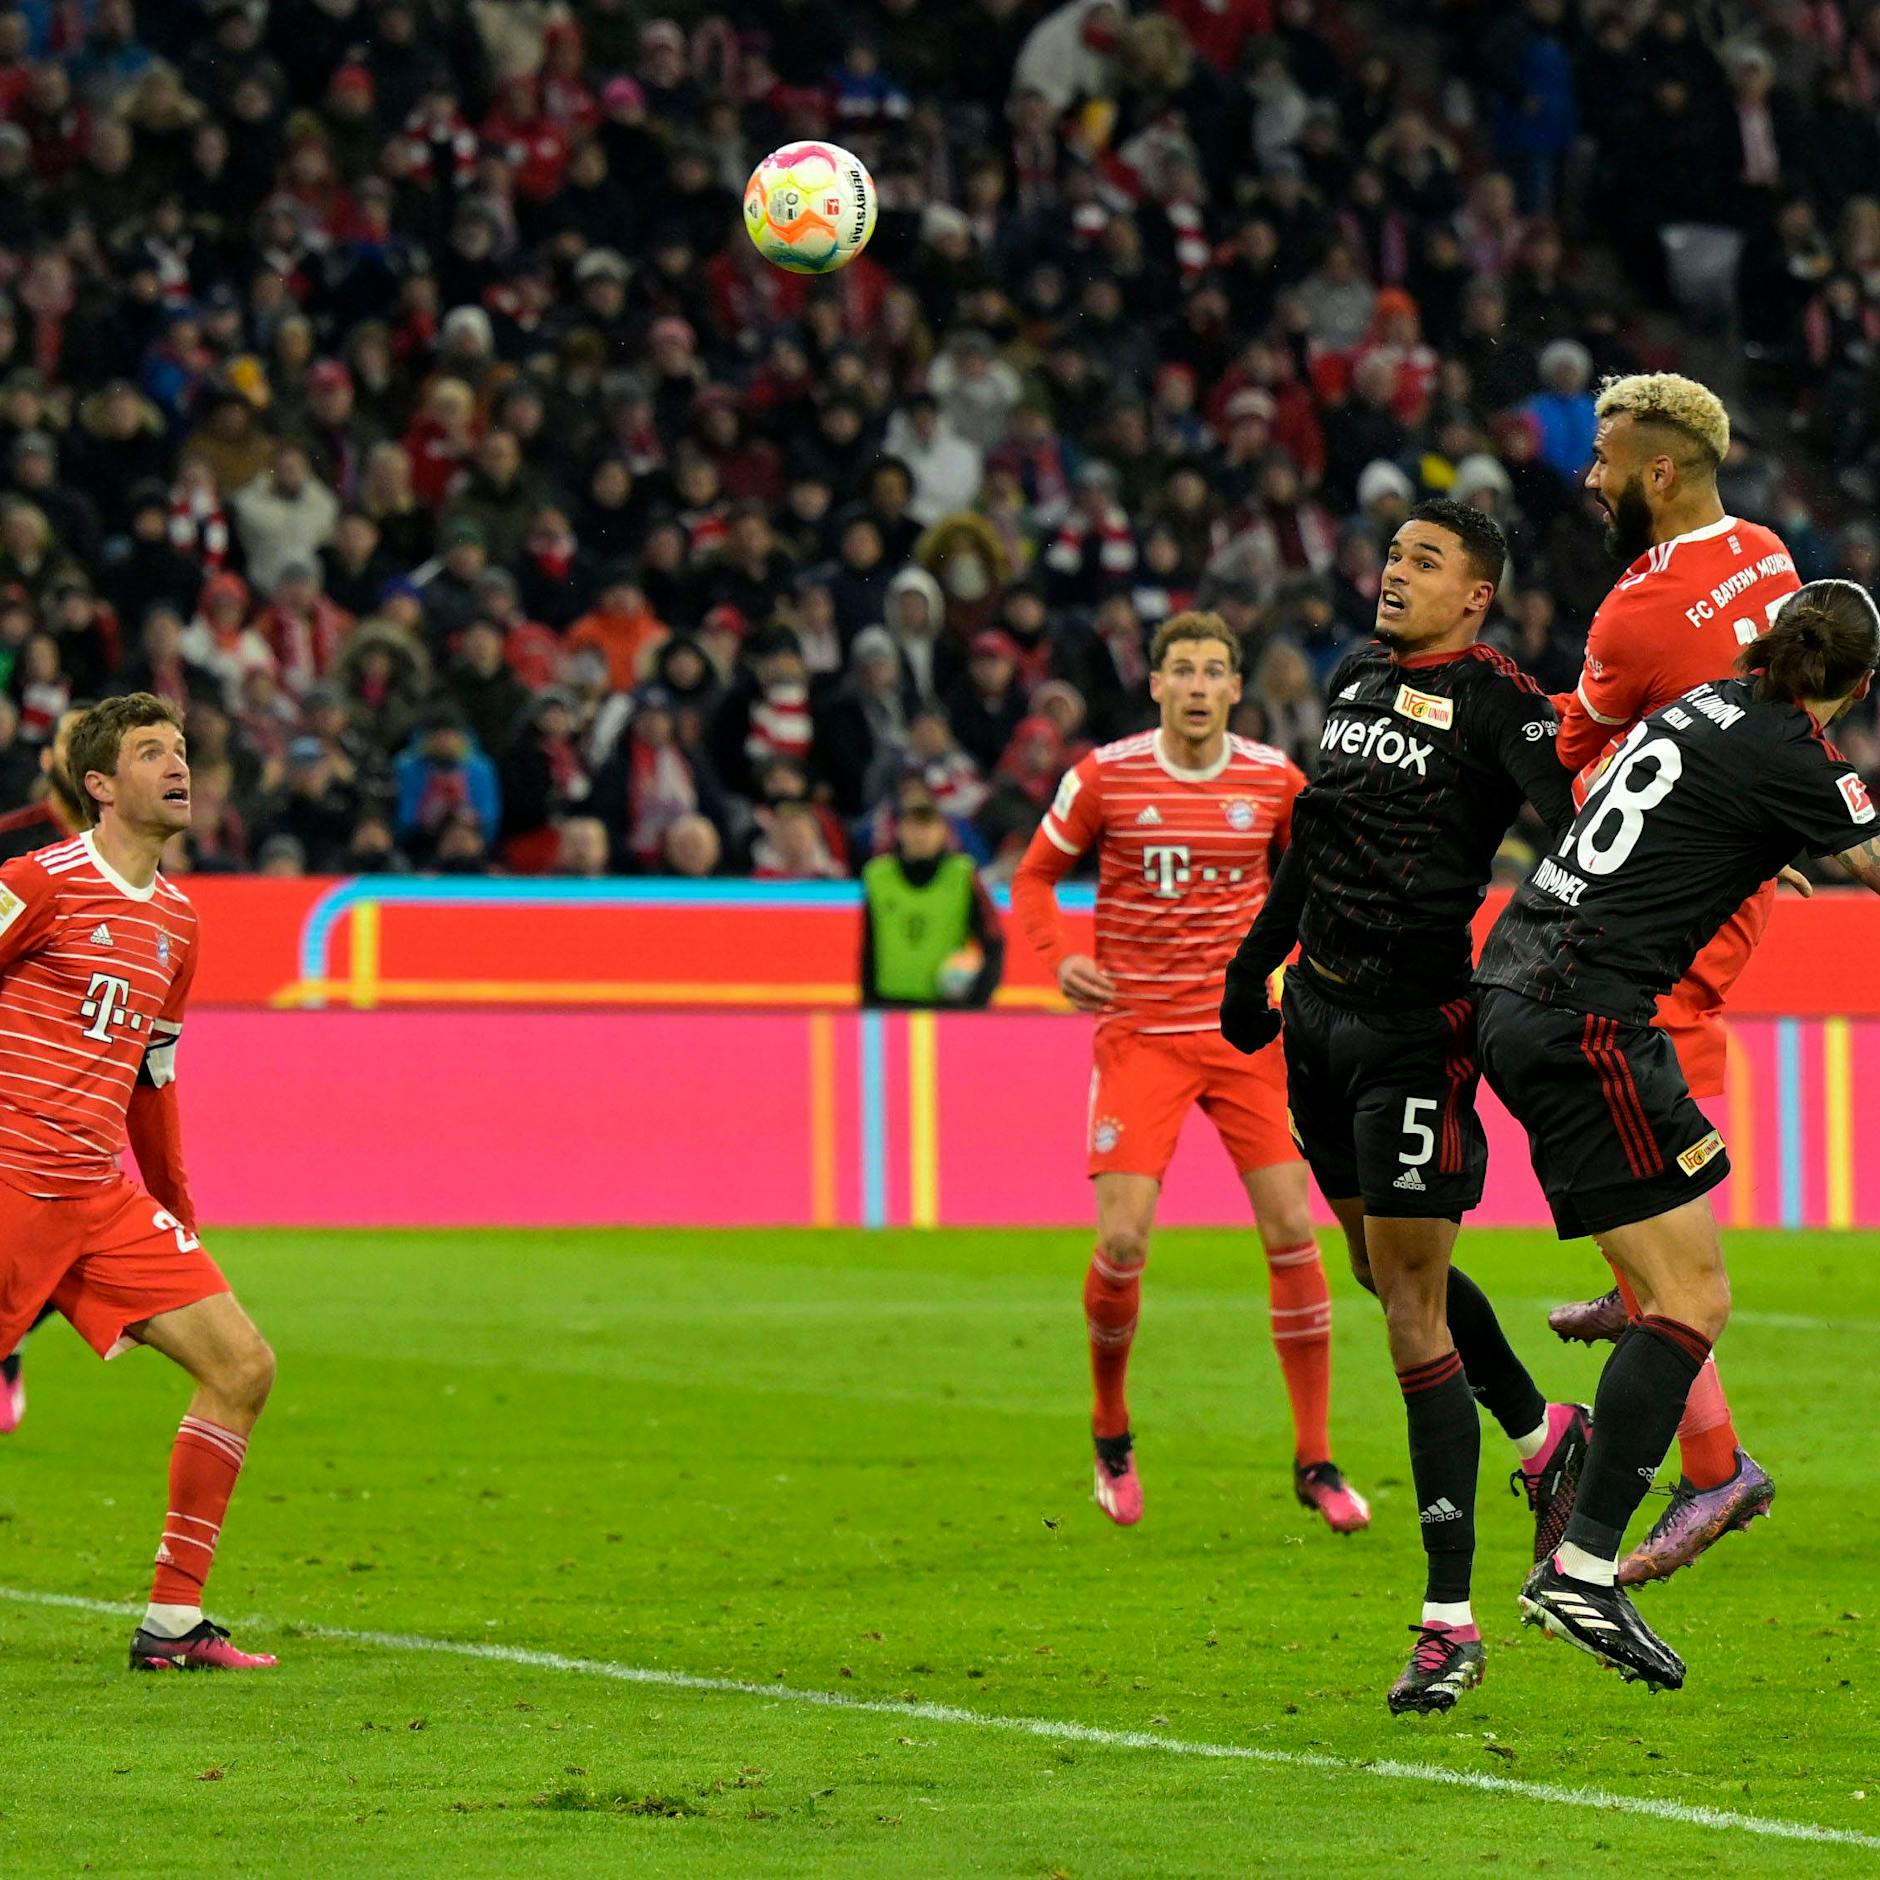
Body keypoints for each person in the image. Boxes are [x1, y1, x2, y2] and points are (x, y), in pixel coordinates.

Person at [1477, 582, 1880, 1690]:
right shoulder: (1801, 757)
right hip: (1587, 1015)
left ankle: (1589, 1526)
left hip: (1521, 983)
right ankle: (1582, 1564)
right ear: (1854, 686)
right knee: (1691, 1300)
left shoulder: (1703, 699)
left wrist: (1754, 850)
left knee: (1686, 1222)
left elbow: (1670, 811)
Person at [1219, 500, 1583, 1715]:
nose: (1393, 574)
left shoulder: (1501, 703)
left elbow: (1578, 836)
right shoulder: (1355, 676)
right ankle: (1543, 1439)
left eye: (1423, 561)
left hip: (1412, 1039)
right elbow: (1312, 842)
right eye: (1390, 555)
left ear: (1475, 592)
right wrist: (1251, 961)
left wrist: (1527, 970)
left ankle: (1446, 1622)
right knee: (1383, 1271)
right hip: (1315, 1019)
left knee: (1410, 1316)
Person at [1011, 611, 1370, 1537]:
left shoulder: (1272, 779)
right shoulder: (1107, 776)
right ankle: (1110, 1428)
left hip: (1246, 1039)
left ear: (1236, 687)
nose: (1201, 685)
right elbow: (1034, 876)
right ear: (1158, 685)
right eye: (1184, 670)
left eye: (1216, 670)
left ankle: (1315, 1456)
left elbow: (1331, 869)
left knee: (1295, 1227)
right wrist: (1056, 957)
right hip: (1141, 1037)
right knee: (1125, 1243)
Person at [1545, 374, 1800, 1581]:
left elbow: (1572, 757)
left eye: (1604, 459)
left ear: (1656, 471)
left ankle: (1714, 1473)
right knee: (1604, 1123)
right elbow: (1794, 719)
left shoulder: (1633, 611)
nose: (1589, 477)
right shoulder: (1767, 553)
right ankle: (1628, 1269)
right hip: (1733, 888)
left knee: (1617, 1130)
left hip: (1665, 920)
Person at [0, 693, 277, 1669]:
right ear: (100, 784)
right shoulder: (34, 882)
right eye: (151, 750)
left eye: (184, 749)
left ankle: (172, 1620)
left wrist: (178, 1211)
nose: (179, 764)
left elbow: (153, 1079)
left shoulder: (178, 923)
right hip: (8, 1185)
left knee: (242, 1364)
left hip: (97, 1197)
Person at [860, 787, 1004, 1007]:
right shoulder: (878, 876)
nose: (921, 834)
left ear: (943, 830)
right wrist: (868, 1004)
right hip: (889, 1005)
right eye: (913, 825)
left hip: (947, 1005)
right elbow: (869, 946)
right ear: (899, 829)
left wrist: (977, 1002)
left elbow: (993, 941)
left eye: (928, 825)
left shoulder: (962, 875)